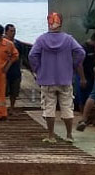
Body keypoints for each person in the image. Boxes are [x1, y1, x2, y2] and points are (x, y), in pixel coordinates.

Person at [28, 12, 86, 142]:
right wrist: (72, 65)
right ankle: (69, 135)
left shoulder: (42, 39)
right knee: (67, 107)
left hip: (47, 80)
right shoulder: (68, 39)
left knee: (49, 108)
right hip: (65, 79)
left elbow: (32, 55)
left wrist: (38, 69)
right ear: (61, 23)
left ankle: (51, 136)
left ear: (48, 23)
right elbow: (81, 52)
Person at [4, 24, 28, 110]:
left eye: (14, 31)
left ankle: (12, 107)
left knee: (14, 91)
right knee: (3, 91)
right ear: (6, 32)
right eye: (11, 31)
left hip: (15, 70)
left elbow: (22, 57)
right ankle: (3, 108)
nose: (13, 33)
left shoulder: (18, 44)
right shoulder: (2, 44)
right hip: (4, 71)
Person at [73, 35, 95, 113]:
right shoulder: (83, 48)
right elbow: (79, 64)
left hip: (91, 76)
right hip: (83, 75)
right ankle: (82, 115)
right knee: (82, 97)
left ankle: (87, 115)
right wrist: (82, 78)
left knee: (89, 96)